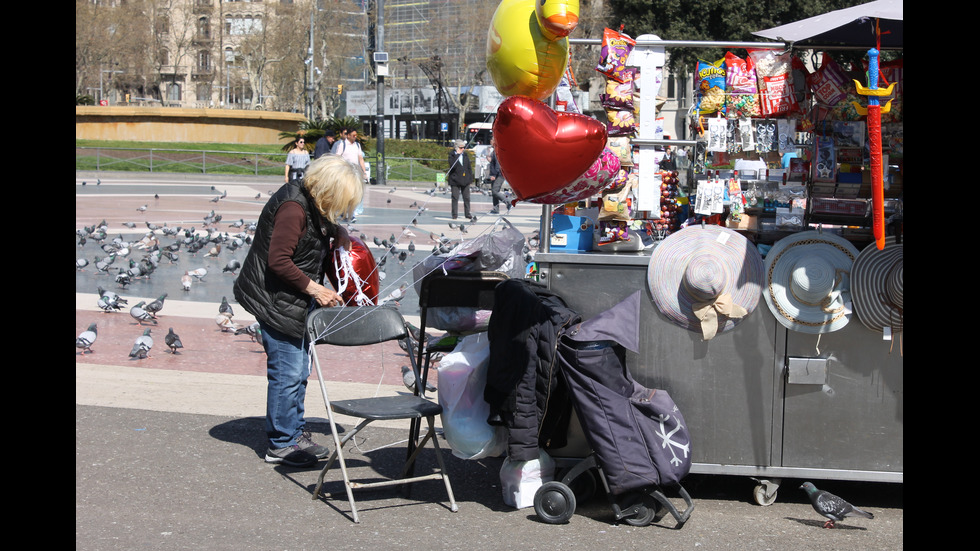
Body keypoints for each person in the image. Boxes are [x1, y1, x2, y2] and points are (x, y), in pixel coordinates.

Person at [234, 155, 364, 467]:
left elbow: (318, 221)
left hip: (290, 301)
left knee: (298, 370)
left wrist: (338, 230)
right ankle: (281, 443)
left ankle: (294, 433)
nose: (343, 209)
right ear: (327, 191)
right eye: (341, 202)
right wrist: (315, 289)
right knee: (288, 372)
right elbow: (278, 260)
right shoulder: (293, 208)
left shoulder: (309, 198)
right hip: (275, 301)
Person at [447, 139, 473, 220]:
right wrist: (457, 155)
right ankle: (454, 214)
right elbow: (452, 166)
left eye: (463, 148)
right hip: (455, 180)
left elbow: (468, 167)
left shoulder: (465, 155)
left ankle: (467, 213)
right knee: (455, 197)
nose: (463, 149)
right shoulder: (452, 155)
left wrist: (470, 178)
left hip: (465, 180)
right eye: (461, 148)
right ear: (457, 148)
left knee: (467, 197)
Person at [486, 146, 510, 214]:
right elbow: (493, 163)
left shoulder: (498, 150)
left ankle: (508, 202)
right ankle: (496, 209)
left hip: (499, 174)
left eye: (492, 139)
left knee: (495, 191)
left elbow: (497, 164)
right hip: (496, 173)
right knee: (494, 191)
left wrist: (494, 174)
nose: (491, 141)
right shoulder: (494, 150)